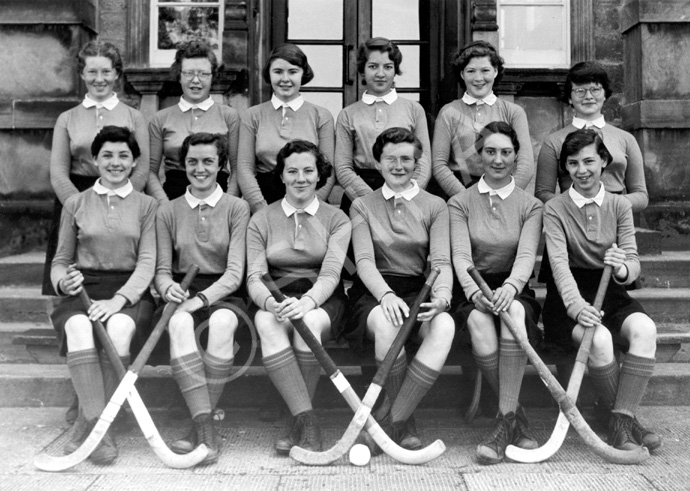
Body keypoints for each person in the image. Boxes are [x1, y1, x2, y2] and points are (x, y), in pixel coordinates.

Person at [542, 129, 661, 452]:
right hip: (569, 298)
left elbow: (633, 262)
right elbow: (559, 265)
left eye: (589, 161)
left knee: (645, 329)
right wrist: (577, 307)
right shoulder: (554, 208)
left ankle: (620, 419)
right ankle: (622, 420)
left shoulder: (620, 205)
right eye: (573, 163)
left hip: (611, 291)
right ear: (565, 167)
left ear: (604, 161)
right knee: (601, 338)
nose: (582, 170)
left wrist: (622, 266)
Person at [50, 126, 157, 465]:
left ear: (135, 161)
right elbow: (60, 262)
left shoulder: (147, 205)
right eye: (107, 155)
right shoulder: (75, 203)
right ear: (95, 159)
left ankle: (89, 419)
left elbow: (148, 262)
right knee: (79, 328)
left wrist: (119, 301)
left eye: (124, 155)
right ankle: (102, 426)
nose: (115, 162)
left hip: (130, 291)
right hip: (84, 289)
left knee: (119, 329)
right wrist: (63, 283)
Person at [345, 127, 454, 452]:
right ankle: (404, 423)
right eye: (390, 158)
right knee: (388, 321)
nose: (398, 165)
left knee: (445, 325)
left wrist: (443, 298)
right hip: (375, 295)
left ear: (417, 162)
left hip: (420, 292)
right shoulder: (362, 205)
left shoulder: (435, 206)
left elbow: (441, 262)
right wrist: (386, 295)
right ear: (378, 163)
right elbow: (363, 262)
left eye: (406, 158)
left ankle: (392, 419)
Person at [246, 140, 350, 454]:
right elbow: (254, 275)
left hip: (320, 298)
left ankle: (299, 421)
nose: (300, 178)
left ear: (321, 176)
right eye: (292, 171)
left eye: (308, 171)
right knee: (266, 322)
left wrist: (307, 301)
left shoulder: (337, 219)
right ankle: (307, 420)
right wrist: (270, 302)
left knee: (309, 321)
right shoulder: (262, 218)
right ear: (281, 176)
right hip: (274, 295)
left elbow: (332, 273)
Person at [448, 121, 543, 464]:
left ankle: (504, 422)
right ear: (479, 155)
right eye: (490, 152)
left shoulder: (530, 205)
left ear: (516, 156)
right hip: (472, 288)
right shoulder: (459, 202)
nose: (498, 160)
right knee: (478, 322)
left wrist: (510, 288)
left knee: (514, 312)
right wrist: (475, 293)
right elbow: (460, 255)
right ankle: (516, 417)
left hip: (512, 285)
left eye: (506, 152)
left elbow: (527, 256)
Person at [155, 132, 250, 465]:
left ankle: (197, 425)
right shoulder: (168, 211)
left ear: (221, 165)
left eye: (208, 161)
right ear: (183, 164)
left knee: (223, 322)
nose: (200, 169)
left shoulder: (237, 208)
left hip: (224, 292)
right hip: (183, 291)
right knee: (179, 322)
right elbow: (162, 270)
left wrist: (201, 300)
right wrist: (168, 287)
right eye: (193, 161)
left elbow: (235, 273)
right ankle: (206, 428)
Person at [45, 40, 149, 295]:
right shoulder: (67, 118)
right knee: (67, 271)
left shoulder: (134, 116)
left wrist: (124, 200)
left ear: (116, 74)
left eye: (106, 71)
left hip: (123, 196)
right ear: (82, 74)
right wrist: (79, 207)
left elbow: (143, 167)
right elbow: (58, 173)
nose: (99, 79)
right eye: (92, 72)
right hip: (76, 196)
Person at [335, 37, 431, 215]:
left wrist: (408, 193)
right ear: (362, 71)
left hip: (405, 190)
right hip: (361, 193)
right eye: (373, 66)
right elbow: (343, 167)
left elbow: (423, 160)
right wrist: (371, 199)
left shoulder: (413, 110)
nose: (380, 73)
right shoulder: (348, 114)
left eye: (387, 67)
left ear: (395, 71)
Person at [535, 61, 648, 212]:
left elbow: (641, 195)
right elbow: (542, 193)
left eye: (595, 89)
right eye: (580, 91)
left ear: (605, 94)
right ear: (569, 98)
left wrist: (609, 204)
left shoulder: (626, 139)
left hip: (615, 217)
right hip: (572, 217)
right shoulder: (554, 141)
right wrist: (573, 205)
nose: (588, 96)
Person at [237, 44, 335, 214]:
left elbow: (329, 168)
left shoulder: (321, 115)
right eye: (278, 72)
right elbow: (244, 168)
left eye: (292, 71)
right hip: (264, 200)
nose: (285, 79)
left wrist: (310, 206)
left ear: (303, 73)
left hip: (308, 201)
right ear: (269, 73)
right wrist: (261, 209)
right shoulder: (252, 116)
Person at [432, 40, 533, 199]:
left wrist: (505, 196)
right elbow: (439, 164)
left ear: (495, 71)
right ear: (462, 74)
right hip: (461, 194)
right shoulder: (448, 113)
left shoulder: (513, 112)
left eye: (485, 70)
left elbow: (525, 165)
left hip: (504, 191)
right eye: (471, 71)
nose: (478, 78)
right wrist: (466, 199)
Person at [148, 41, 240, 202]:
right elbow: (149, 171)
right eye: (189, 73)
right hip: (173, 199)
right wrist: (164, 205)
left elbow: (238, 169)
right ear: (179, 75)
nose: (195, 80)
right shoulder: (161, 119)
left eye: (203, 74)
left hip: (218, 200)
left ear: (213, 76)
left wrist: (228, 204)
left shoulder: (230, 117)